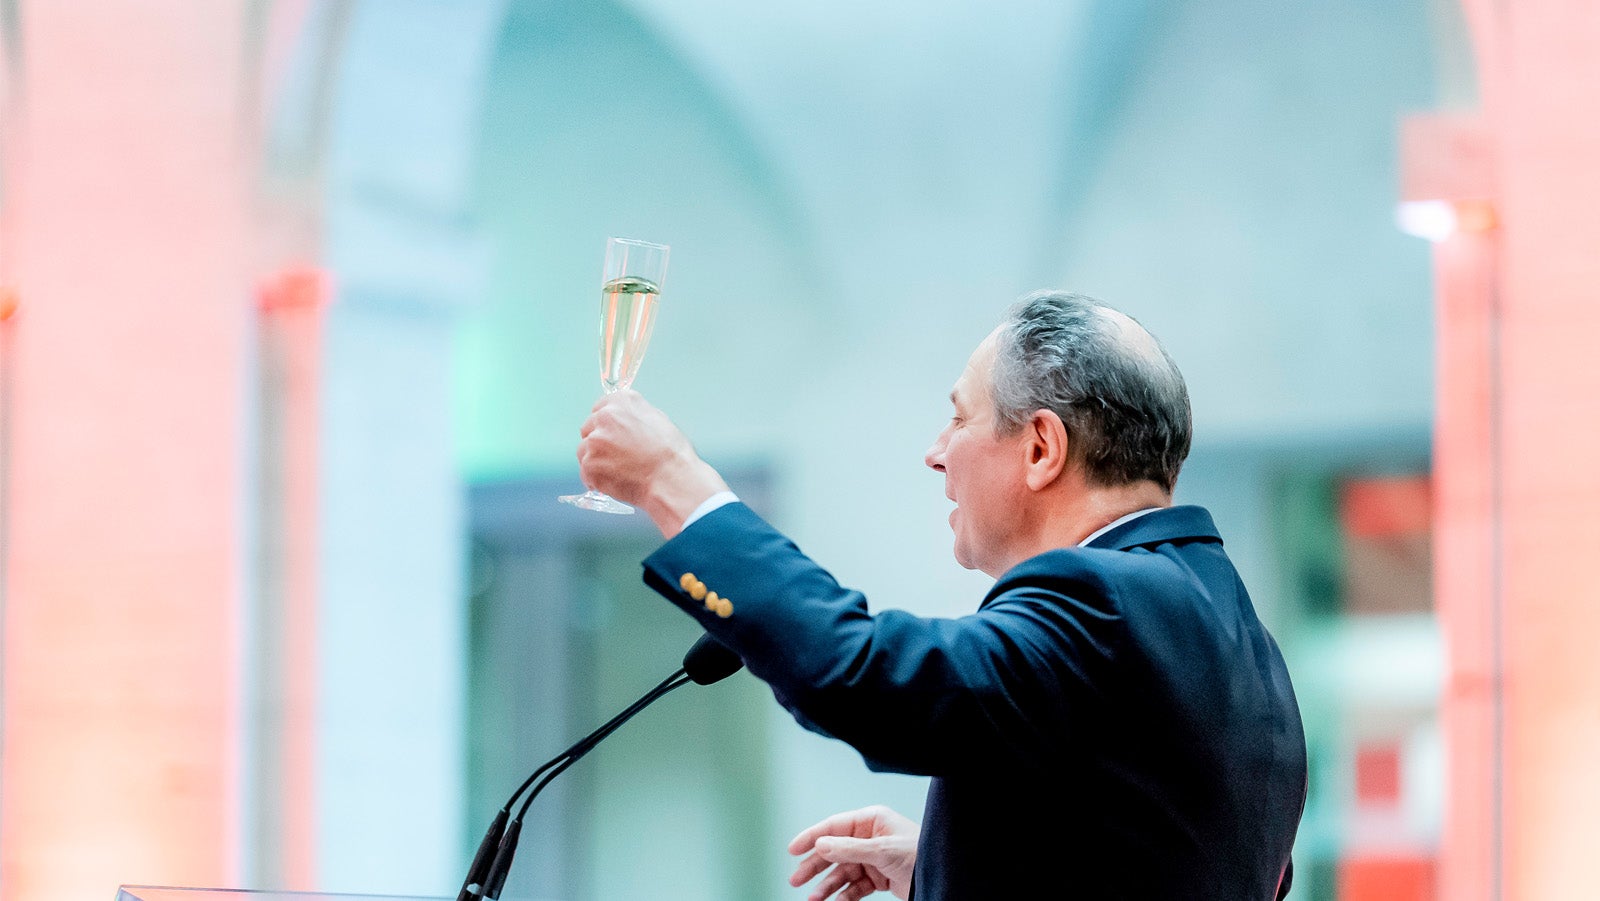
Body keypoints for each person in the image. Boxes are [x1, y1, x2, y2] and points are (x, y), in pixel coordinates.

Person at [575, 290, 1307, 900]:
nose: (936, 451)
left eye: (959, 416)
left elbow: (864, 674)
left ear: (1042, 448)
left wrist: (672, 482)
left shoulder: (1103, 598)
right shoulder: (1239, 636)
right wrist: (948, 866)